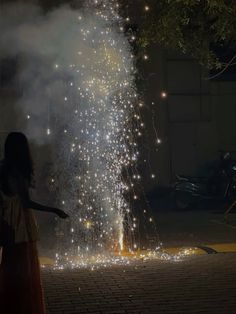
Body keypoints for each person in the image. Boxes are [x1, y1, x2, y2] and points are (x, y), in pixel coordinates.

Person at [0, 132, 68, 314]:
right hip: (21, 227)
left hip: (9, 224)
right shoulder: (16, 171)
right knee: (25, 274)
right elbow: (25, 202)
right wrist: (54, 210)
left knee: (10, 271)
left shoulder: (3, 168)